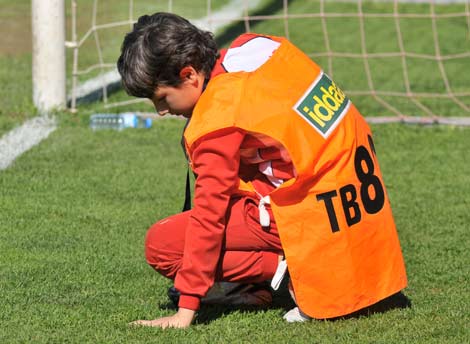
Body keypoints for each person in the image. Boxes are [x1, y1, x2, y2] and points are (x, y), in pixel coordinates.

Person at [117, 12, 408, 329]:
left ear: (189, 75)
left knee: (163, 245)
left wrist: (185, 310)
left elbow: (208, 216)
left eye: (162, 98)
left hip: (308, 213)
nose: (161, 111)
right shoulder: (260, 47)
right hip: (355, 198)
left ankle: (285, 270)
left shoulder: (218, 116)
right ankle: (281, 272)